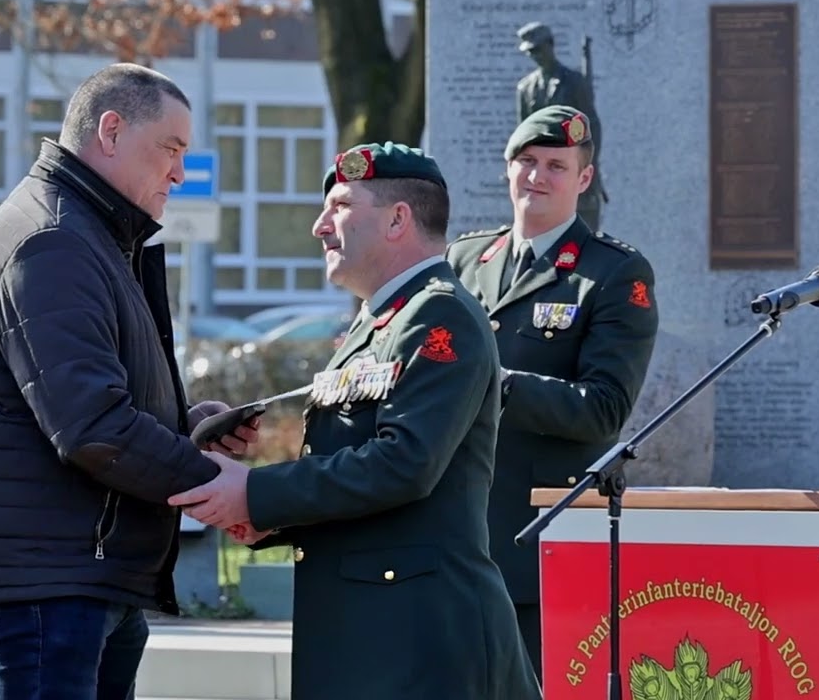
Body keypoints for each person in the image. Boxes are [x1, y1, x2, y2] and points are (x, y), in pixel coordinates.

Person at [0, 63, 259, 700]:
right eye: (171, 149)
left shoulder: (85, 234)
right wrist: (224, 488)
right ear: (110, 130)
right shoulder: (51, 242)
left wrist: (187, 428)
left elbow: (90, 398)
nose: (180, 173)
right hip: (48, 584)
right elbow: (91, 425)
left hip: (78, 571)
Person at [168, 142, 542, 700]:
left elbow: (404, 464)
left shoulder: (440, 313)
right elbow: (350, 466)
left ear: (398, 219)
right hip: (375, 633)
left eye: (340, 205)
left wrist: (258, 491)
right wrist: (265, 516)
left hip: (422, 640)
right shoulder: (378, 324)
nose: (320, 226)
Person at [445, 104, 659, 680]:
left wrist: (497, 386)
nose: (537, 176)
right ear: (507, 167)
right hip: (455, 533)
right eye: (526, 161)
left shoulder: (613, 273)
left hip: (542, 539)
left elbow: (605, 409)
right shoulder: (465, 260)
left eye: (556, 166)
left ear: (583, 179)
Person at [515, 21, 608, 230]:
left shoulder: (574, 82)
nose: (535, 55)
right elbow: (522, 135)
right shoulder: (525, 88)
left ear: (550, 45)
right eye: (530, 52)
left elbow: (592, 126)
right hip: (539, 178)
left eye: (538, 49)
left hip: (571, 169)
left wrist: (584, 166)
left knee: (583, 242)